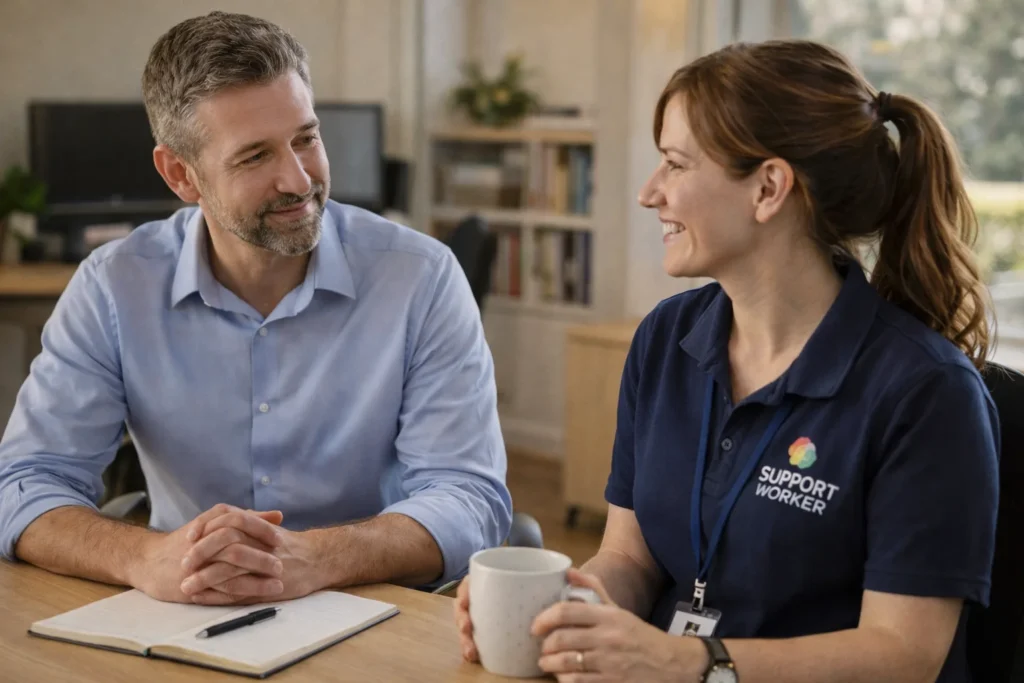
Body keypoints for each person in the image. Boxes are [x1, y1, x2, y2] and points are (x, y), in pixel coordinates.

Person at [455, 38, 998, 683]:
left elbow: (903, 655)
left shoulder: (927, 393)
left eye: (676, 165)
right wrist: (568, 610)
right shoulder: (665, 339)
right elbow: (630, 557)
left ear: (768, 188)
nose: (650, 192)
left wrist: (690, 662)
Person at [0, 11, 512, 607]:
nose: (297, 180)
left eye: (306, 139)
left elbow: (468, 496)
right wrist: (145, 556)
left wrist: (316, 557)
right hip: (185, 606)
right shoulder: (114, 287)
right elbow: (24, 485)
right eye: (254, 158)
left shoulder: (420, 277)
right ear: (180, 175)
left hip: (376, 607)